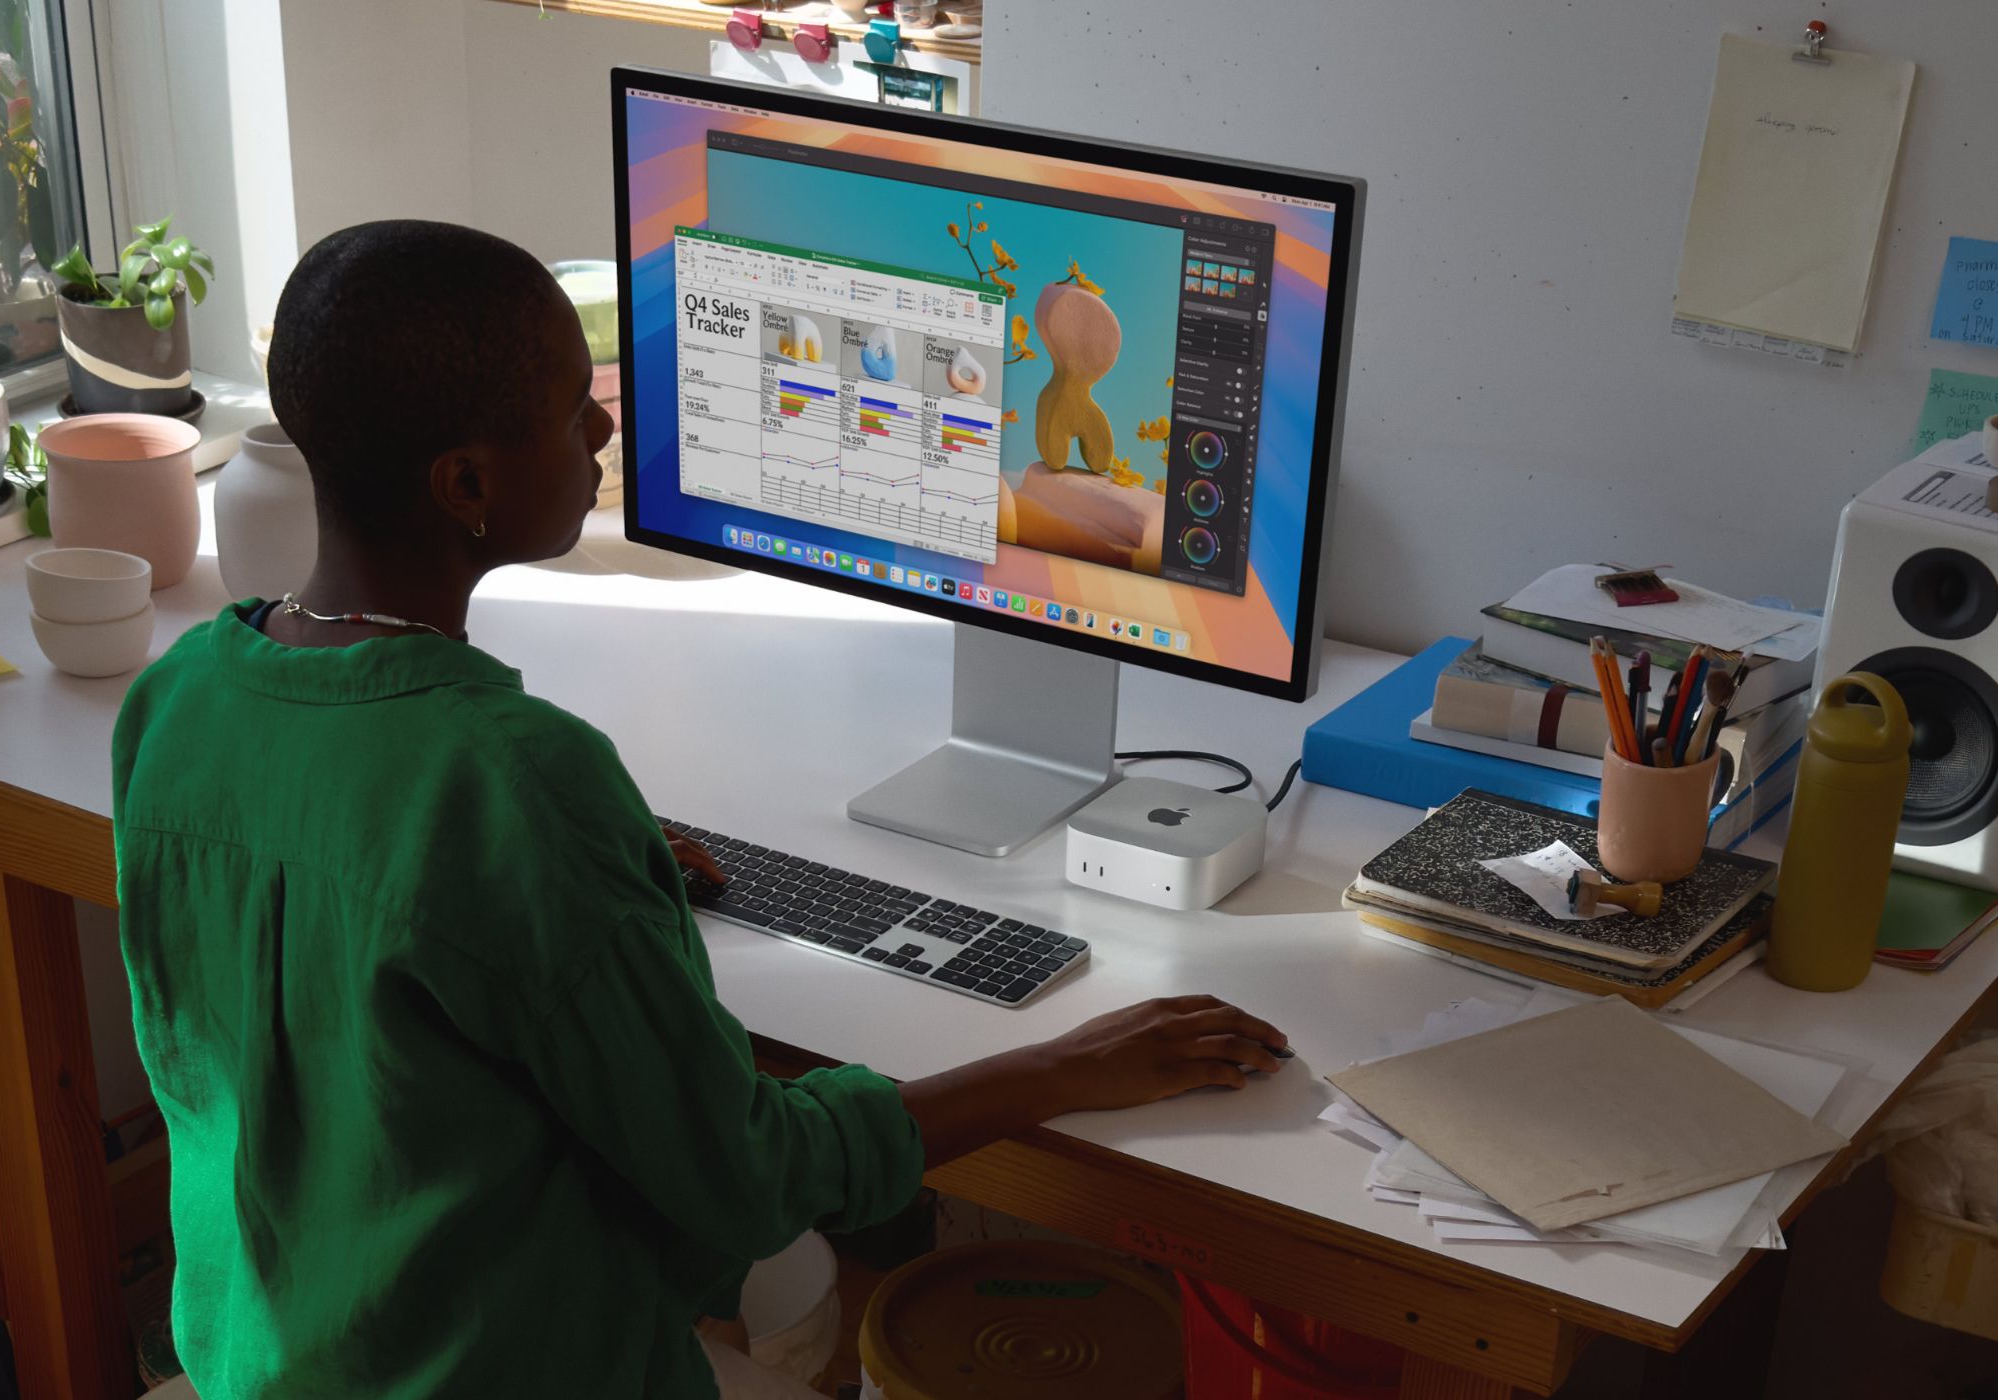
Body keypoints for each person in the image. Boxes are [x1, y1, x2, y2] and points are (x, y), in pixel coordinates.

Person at [112, 220, 1289, 1399]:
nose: (604, 426)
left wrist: (594, 881)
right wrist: (1061, 1065)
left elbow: (358, 927)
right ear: (466, 481)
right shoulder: (518, 785)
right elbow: (746, 1174)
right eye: (574, 405)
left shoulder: (177, 701)